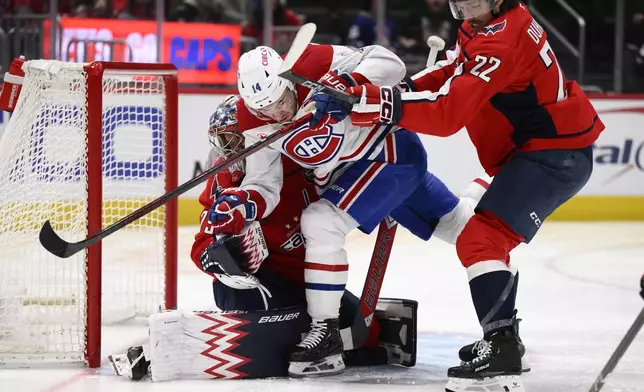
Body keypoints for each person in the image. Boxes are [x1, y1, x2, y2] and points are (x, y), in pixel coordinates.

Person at [329, 0, 604, 390]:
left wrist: (377, 103)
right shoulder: (488, 23)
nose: (466, 5)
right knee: (483, 233)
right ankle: (503, 335)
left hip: (553, 155)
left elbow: (448, 112)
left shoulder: (502, 37)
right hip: (539, 151)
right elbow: (454, 69)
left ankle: (502, 345)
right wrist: (404, 90)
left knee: (482, 238)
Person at [108, 95, 439, 381]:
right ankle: (182, 346)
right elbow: (202, 244)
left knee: (365, 335)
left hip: (307, 283)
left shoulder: (295, 166)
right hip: (256, 285)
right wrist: (214, 255)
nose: (235, 150)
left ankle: (295, 335)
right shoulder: (223, 184)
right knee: (281, 328)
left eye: (241, 140)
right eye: (226, 142)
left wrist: (384, 192)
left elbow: (346, 196)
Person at [207, 42, 486, 377]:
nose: (277, 114)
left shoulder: (312, 62)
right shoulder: (251, 120)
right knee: (466, 231)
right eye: (265, 110)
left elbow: (392, 62)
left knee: (321, 222)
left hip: (389, 153)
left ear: (286, 81)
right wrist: (245, 203)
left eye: (280, 102)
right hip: (358, 175)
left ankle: (325, 333)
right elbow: (265, 185)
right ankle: (504, 332)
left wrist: (347, 82)